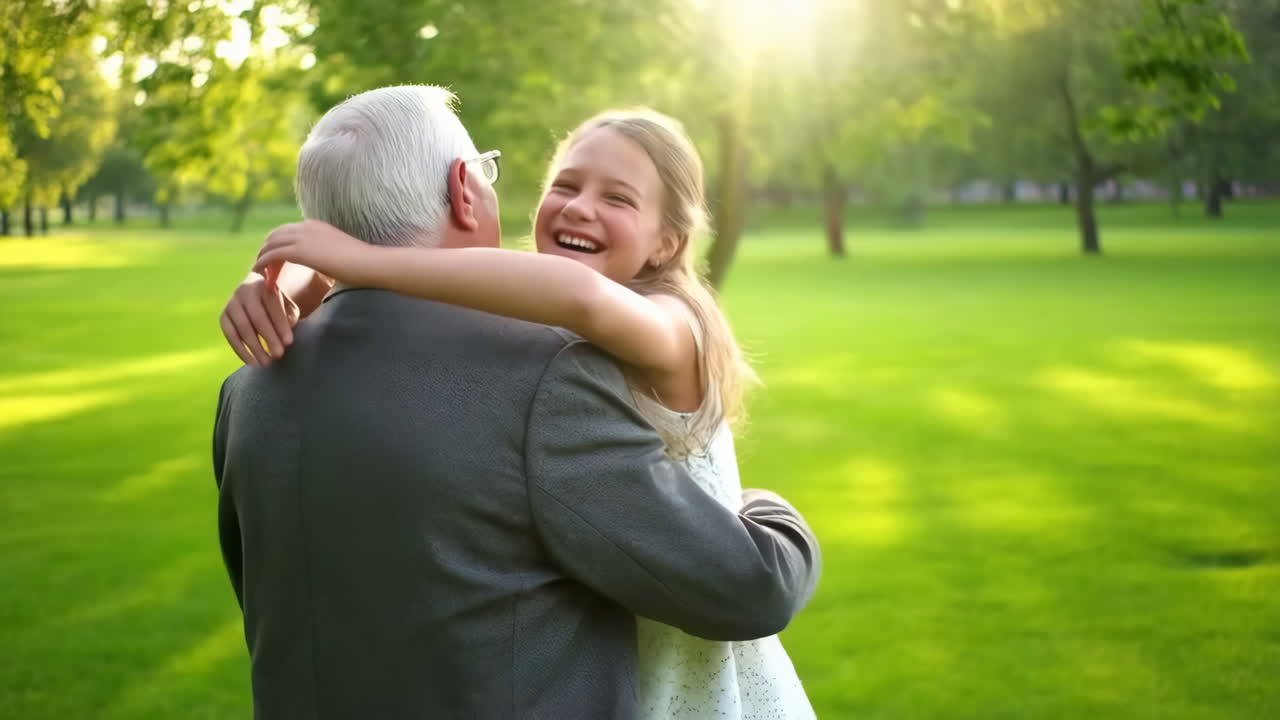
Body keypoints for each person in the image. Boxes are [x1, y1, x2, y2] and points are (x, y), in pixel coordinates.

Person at [213, 85, 821, 719]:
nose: (580, 209)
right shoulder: (545, 376)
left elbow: (576, 295)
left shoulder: (253, 386)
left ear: (667, 240)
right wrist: (773, 513)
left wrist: (335, 267)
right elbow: (749, 590)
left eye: (616, 197)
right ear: (464, 187)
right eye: (564, 185)